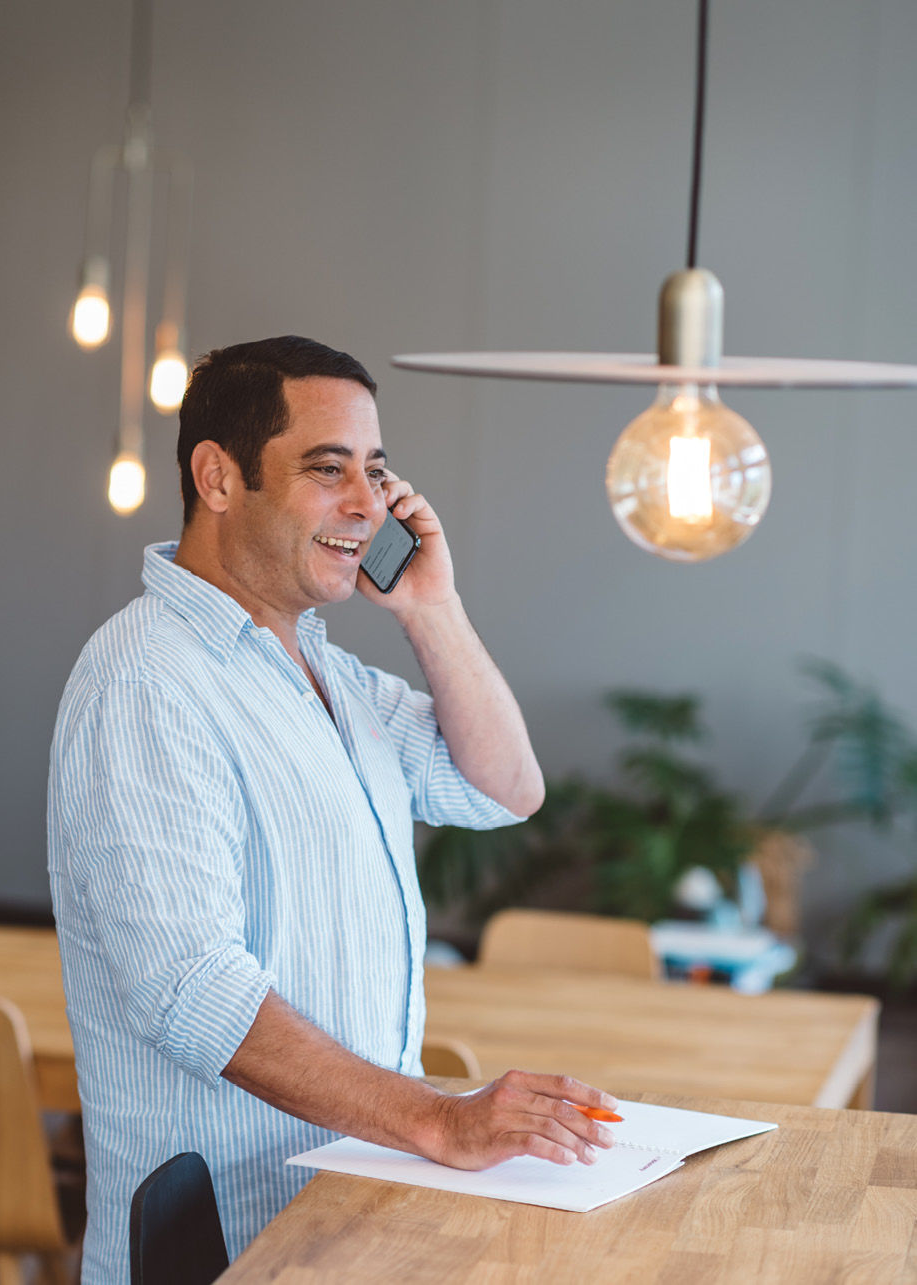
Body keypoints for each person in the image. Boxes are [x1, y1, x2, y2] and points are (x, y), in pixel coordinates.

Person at [48, 336, 618, 1282]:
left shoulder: (328, 674)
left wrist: (430, 608)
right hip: (225, 1246)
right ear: (219, 477)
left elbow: (502, 788)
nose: (366, 504)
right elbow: (196, 991)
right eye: (328, 470)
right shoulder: (145, 679)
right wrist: (442, 1118)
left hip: (339, 1220)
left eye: (377, 472)